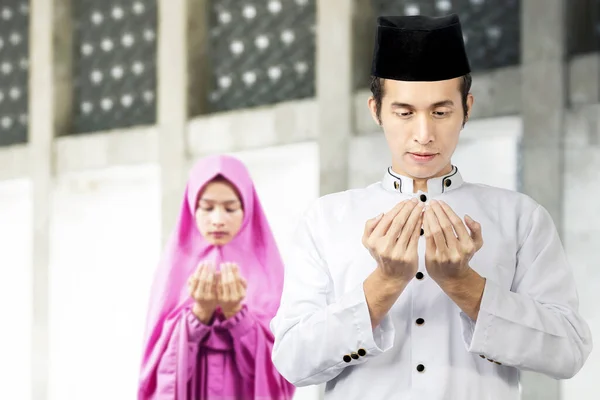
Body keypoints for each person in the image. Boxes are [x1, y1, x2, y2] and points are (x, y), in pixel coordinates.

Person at [270, 13, 593, 400]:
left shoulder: (520, 218)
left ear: (467, 108)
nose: (423, 135)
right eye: (404, 113)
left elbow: (568, 352)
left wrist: (465, 285)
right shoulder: (326, 219)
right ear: (376, 110)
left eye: (441, 112)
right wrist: (383, 284)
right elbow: (291, 361)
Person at [138, 154, 295, 400]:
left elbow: (282, 368)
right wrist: (199, 315)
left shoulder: (270, 271)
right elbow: (158, 366)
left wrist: (237, 316)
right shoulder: (173, 270)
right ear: (192, 207)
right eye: (208, 207)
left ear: (247, 207)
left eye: (230, 207)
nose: (218, 220)